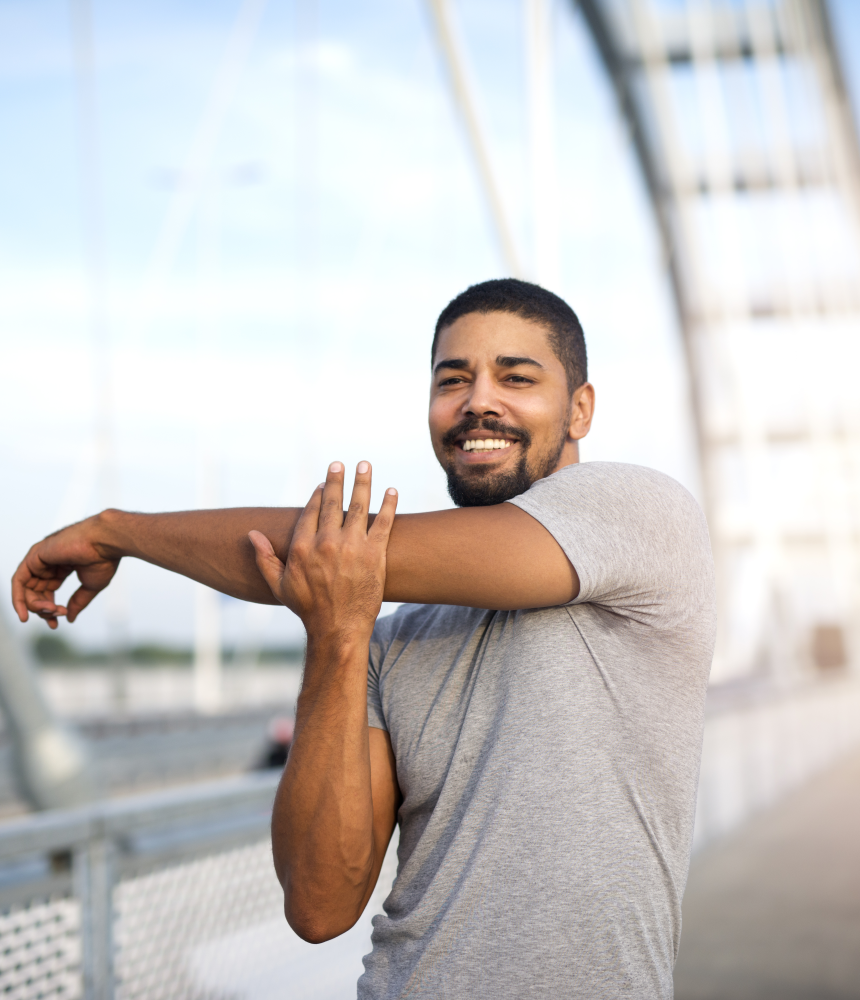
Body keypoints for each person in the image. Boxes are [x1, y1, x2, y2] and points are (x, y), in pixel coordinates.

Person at [12, 278, 716, 999]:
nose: (478, 400)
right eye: (453, 379)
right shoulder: (386, 640)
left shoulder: (642, 513)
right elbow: (319, 908)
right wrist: (336, 640)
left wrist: (117, 532)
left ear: (580, 409)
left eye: (516, 376)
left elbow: (327, 552)